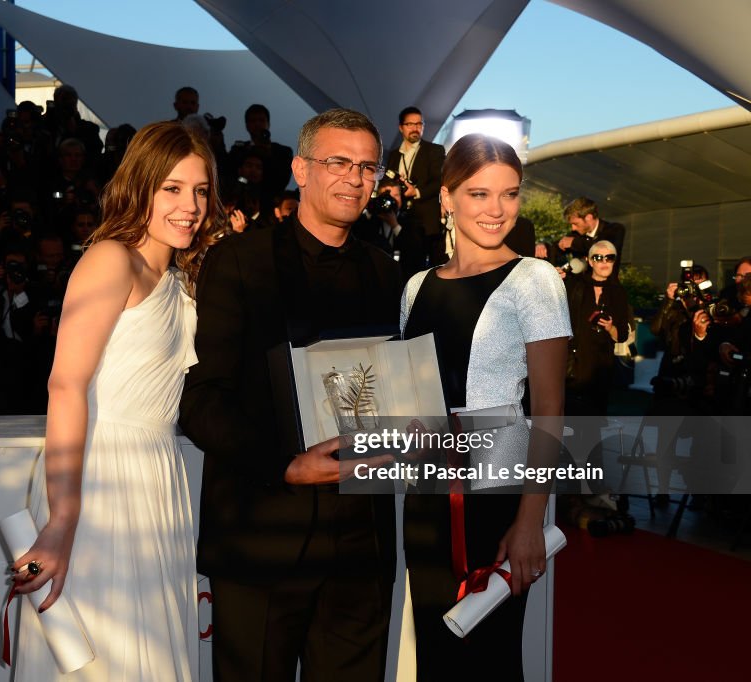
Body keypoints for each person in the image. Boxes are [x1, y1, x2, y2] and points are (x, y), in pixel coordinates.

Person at [180, 108, 401, 681]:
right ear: (301, 169)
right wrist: (287, 466)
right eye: (338, 162)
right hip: (263, 536)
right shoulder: (240, 261)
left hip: (361, 544)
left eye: (367, 166)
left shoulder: (386, 272)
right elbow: (203, 400)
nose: (355, 178)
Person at [11, 121, 221, 681]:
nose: (190, 206)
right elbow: (65, 385)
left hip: (157, 478)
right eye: (172, 189)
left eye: (201, 191)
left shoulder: (180, 278)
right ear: (141, 186)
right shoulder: (111, 258)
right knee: (101, 655)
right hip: (100, 478)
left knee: (145, 650)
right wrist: (62, 519)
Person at [399, 133, 570, 681]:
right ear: (446, 197)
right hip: (426, 495)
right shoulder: (416, 287)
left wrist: (530, 518)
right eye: (478, 194)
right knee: (435, 651)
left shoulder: (535, 281)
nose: (497, 210)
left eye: (509, 193)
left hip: (498, 494)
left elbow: (549, 407)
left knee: (491, 657)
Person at [563, 240, 633, 417]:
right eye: (598, 257)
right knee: (570, 422)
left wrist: (610, 328)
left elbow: (621, 336)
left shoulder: (618, 293)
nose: (604, 262)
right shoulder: (574, 285)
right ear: (590, 261)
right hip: (573, 365)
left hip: (600, 369)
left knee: (594, 425)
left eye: (609, 258)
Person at [385, 107, 445, 266]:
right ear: (401, 127)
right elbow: (386, 180)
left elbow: (439, 180)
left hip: (426, 223)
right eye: (410, 124)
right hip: (399, 218)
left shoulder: (434, 150)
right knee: (403, 267)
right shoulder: (393, 154)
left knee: (426, 269)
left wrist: (416, 191)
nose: (415, 128)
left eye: (419, 124)